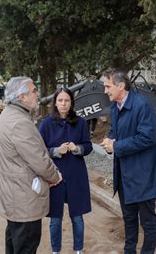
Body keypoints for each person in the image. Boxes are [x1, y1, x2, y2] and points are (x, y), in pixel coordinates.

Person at [100, 69, 156, 254]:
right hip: (125, 175)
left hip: (143, 175)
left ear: (121, 86)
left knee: (147, 222)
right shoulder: (116, 106)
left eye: (108, 86)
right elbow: (117, 131)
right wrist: (110, 139)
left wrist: (117, 147)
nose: (105, 91)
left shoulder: (141, 105)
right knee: (129, 218)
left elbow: (148, 138)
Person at [0, 76, 62, 254]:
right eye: (34, 91)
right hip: (23, 199)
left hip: (14, 197)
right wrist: (55, 176)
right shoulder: (19, 123)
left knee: (14, 243)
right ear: (22, 97)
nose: (37, 94)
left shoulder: (8, 114)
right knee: (25, 246)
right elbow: (39, 160)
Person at [39, 87, 93, 254]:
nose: (63, 104)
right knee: (55, 218)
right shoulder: (46, 124)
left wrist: (77, 148)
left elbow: (88, 146)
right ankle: (56, 251)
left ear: (71, 103)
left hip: (76, 173)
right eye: (60, 100)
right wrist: (56, 151)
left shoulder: (80, 122)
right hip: (55, 175)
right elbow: (39, 151)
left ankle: (79, 250)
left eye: (67, 100)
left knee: (77, 217)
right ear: (55, 102)